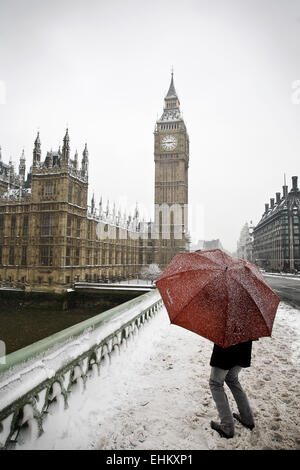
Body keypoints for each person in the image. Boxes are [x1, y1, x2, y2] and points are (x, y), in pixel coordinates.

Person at [209, 340, 255, 439]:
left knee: (215, 384)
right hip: (244, 349)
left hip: (226, 351)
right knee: (232, 379)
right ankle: (247, 418)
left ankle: (227, 427)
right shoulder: (250, 323)